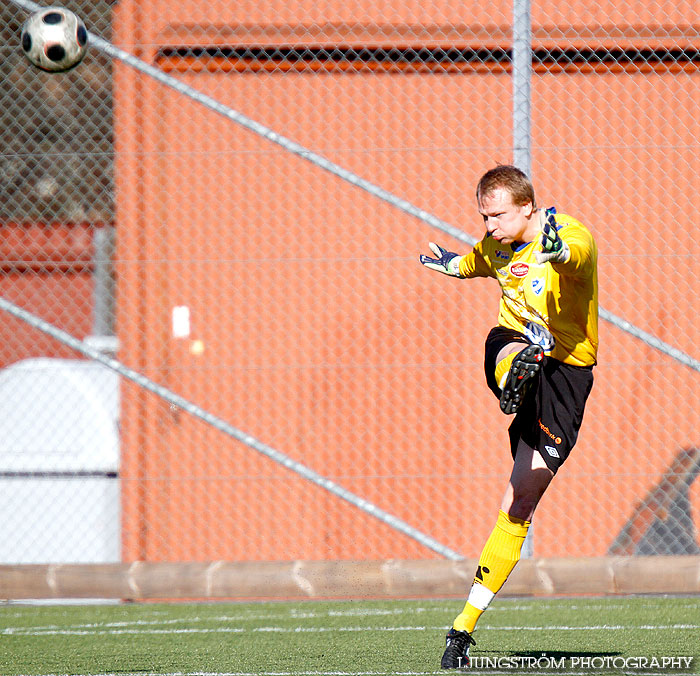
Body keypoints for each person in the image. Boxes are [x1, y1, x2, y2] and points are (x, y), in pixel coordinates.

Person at [419, 165, 598, 669]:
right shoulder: (496, 245)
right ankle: (513, 374)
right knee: (506, 343)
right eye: (483, 216)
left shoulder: (571, 234)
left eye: (496, 215)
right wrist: (452, 265)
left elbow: (576, 256)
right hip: (518, 348)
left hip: (567, 376)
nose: (489, 224)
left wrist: (558, 252)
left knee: (520, 499)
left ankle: (463, 625)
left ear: (527, 206)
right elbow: (476, 262)